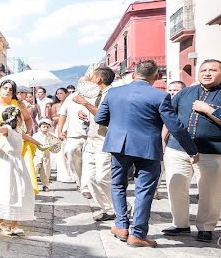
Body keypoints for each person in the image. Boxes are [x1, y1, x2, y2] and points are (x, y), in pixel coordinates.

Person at [95, 60, 198, 248]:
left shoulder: (114, 92)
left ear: (134, 74)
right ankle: (138, 234)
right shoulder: (160, 96)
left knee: (118, 185)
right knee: (144, 190)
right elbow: (175, 125)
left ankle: (121, 226)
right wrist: (191, 149)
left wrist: (119, 126)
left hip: (119, 145)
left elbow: (100, 118)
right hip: (147, 147)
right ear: (156, 76)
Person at [161, 60, 221, 243]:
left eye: (212, 70)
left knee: (210, 192)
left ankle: (206, 227)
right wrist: (163, 141)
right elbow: (169, 117)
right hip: (178, 149)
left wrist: (208, 109)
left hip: (213, 151)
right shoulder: (184, 93)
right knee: (175, 186)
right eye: (203, 70)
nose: (207, 73)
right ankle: (180, 224)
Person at [0, 106, 45, 236]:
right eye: (21, 116)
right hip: (6, 163)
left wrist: (41, 144)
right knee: (6, 190)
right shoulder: (7, 129)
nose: (23, 118)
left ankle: (14, 224)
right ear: (17, 118)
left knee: (19, 190)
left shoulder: (18, 130)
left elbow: (28, 138)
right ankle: (0, 218)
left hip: (18, 163)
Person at [73, 67, 115, 221]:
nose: (90, 79)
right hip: (91, 141)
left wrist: (84, 103)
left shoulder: (112, 94)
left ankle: (120, 206)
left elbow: (105, 116)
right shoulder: (97, 94)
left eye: (92, 76)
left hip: (104, 142)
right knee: (90, 179)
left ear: (98, 79)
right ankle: (108, 209)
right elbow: (96, 114)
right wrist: (86, 115)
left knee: (102, 178)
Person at [57, 82, 90, 197]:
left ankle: (86, 187)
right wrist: (60, 131)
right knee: (70, 154)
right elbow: (62, 114)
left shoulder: (96, 95)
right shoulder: (70, 97)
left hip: (91, 134)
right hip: (73, 134)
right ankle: (80, 181)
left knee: (88, 161)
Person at [32, 119, 54, 191]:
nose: (45, 129)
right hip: (37, 155)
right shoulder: (36, 135)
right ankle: (33, 185)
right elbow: (33, 143)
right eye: (44, 127)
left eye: (47, 127)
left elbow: (54, 145)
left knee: (45, 171)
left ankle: (45, 185)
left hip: (46, 156)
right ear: (39, 128)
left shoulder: (51, 136)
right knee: (35, 169)